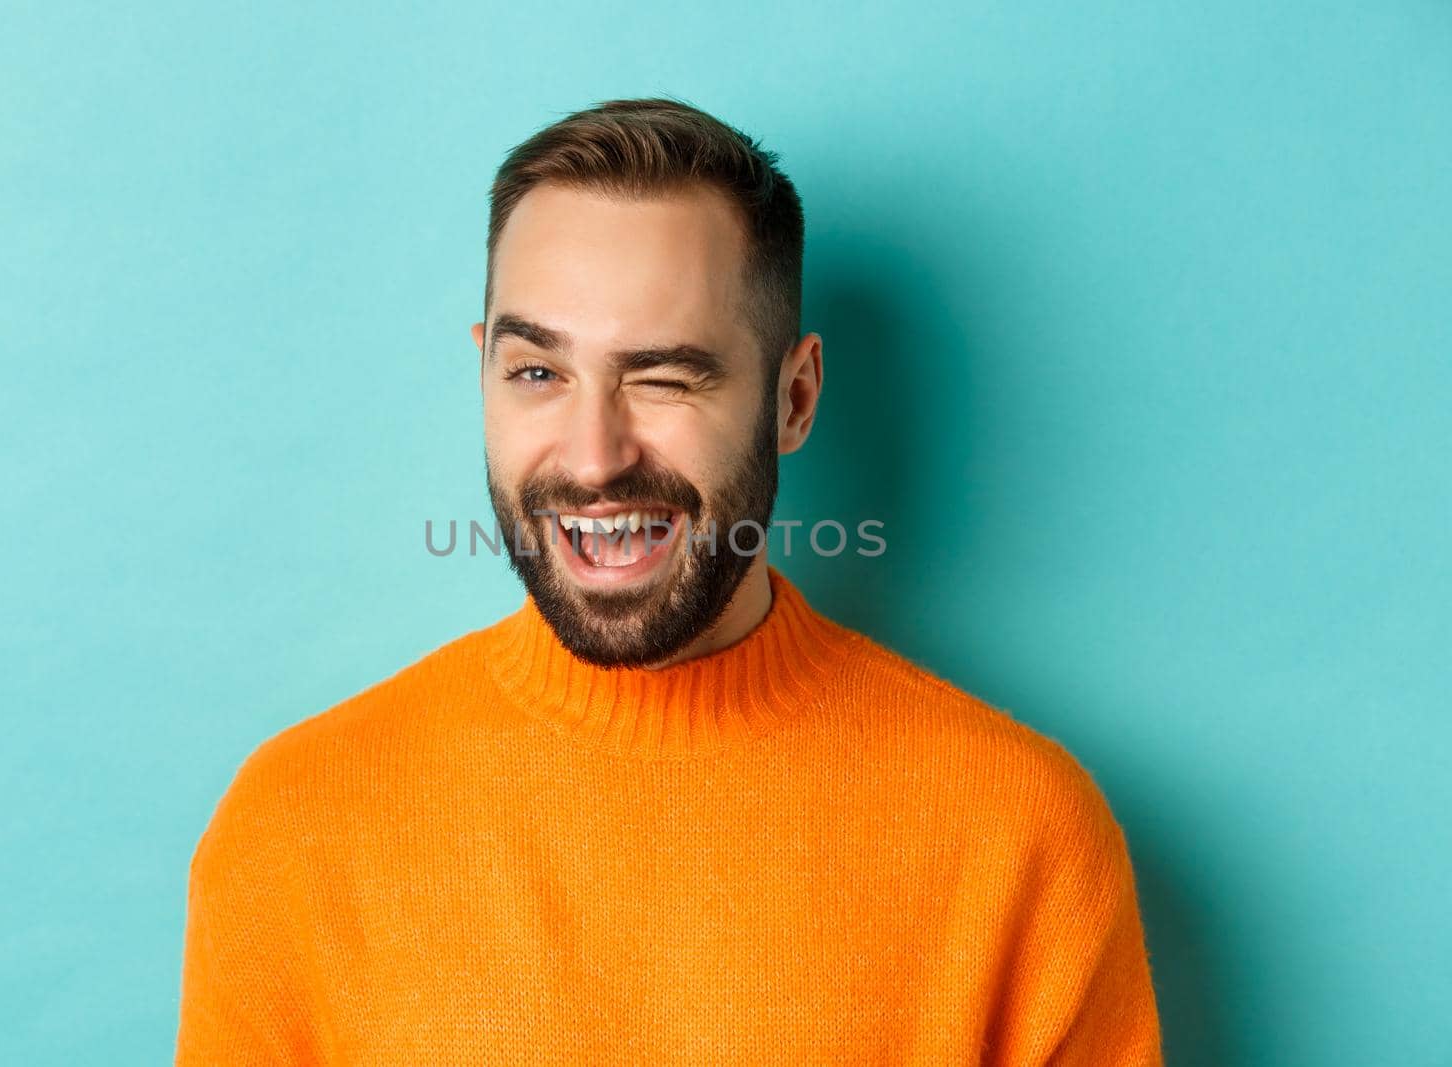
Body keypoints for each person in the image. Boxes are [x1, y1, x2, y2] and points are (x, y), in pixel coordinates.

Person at [175, 97, 1164, 1065]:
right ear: (483, 372)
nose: (595, 456)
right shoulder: (293, 829)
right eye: (537, 373)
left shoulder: (1019, 835)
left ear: (794, 397)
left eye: (664, 376)